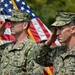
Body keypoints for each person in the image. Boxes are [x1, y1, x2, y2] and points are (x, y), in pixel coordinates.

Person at [0, 9, 50, 75]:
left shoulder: (32, 48)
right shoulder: (6, 47)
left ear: (25, 25)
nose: (10, 26)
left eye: (14, 23)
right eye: (11, 23)